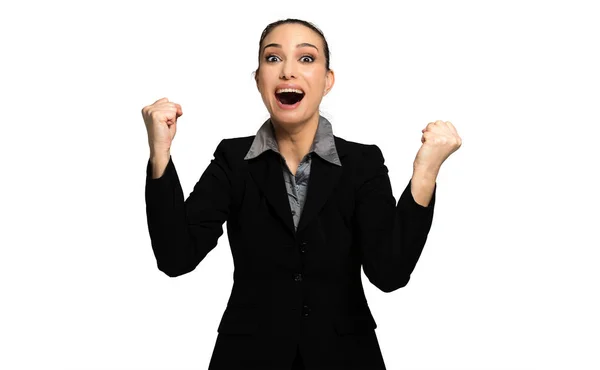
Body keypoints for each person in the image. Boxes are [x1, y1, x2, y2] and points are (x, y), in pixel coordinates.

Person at [142, 18, 461, 370]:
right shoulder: (234, 161)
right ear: (258, 79)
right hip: (248, 358)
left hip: (345, 358)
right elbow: (176, 258)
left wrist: (425, 172)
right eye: (273, 59)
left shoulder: (362, 162)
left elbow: (389, 274)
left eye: (306, 59)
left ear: (327, 81)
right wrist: (160, 152)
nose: (287, 72)